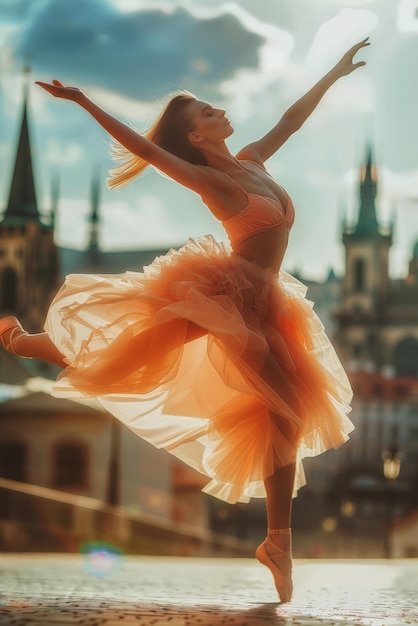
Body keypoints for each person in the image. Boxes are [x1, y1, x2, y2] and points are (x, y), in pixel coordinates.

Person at [0, 38, 369, 602]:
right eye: (203, 110)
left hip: (267, 303)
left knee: (148, 359)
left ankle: (276, 542)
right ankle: (26, 344)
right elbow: (148, 152)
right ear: (196, 137)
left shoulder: (250, 161)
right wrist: (83, 102)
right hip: (226, 296)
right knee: (147, 362)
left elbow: (290, 120)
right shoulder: (215, 182)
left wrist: (335, 73)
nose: (215, 108)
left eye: (209, 104)